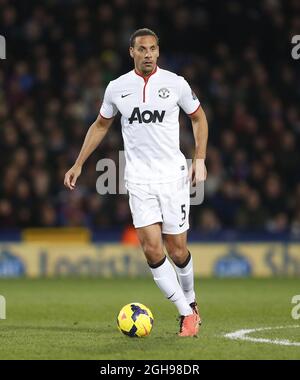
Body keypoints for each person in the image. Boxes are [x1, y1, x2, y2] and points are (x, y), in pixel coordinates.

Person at [64, 28, 208, 337]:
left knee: (177, 250)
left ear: (158, 51)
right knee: (152, 250)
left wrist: (199, 158)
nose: (148, 54)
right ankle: (186, 315)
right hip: (139, 180)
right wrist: (78, 164)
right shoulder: (117, 88)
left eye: (153, 49)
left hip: (173, 177)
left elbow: (199, 118)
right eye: (142, 49)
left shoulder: (176, 84)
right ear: (132, 52)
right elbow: (100, 125)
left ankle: (191, 301)